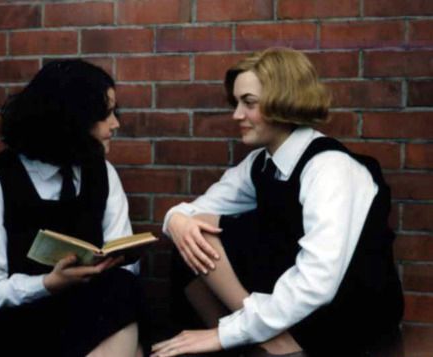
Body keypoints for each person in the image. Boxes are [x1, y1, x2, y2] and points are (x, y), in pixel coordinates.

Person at [151, 48, 403, 357]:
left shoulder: (330, 168)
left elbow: (317, 281)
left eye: (249, 103)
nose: (236, 115)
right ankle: (262, 339)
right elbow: (196, 210)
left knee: (202, 234)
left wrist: (225, 333)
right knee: (193, 232)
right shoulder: (261, 162)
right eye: (237, 103)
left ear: (284, 101)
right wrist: (176, 220)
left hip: (349, 313)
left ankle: (256, 337)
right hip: (289, 301)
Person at [0, 60, 146, 357]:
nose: (116, 124)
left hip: (80, 311)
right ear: (72, 120)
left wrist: (108, 264)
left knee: (124, 288)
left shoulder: (102, 172)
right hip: (12, 321)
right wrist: (47, 284)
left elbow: (124, 259)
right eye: (105, 115)